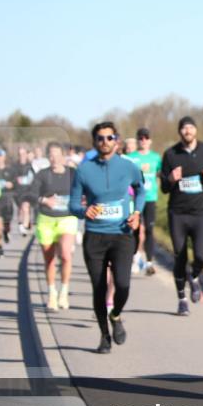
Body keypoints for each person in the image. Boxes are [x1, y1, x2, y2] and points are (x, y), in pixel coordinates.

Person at [70, 122, 145, 353]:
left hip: (122, 235)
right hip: (95, 237)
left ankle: (116, 315)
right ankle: (104, 336)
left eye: (109, 137)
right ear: (95, 142)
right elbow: (73, 204)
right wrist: (84, 211)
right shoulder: (84, 170)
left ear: (117, 141)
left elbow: (140, 190)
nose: (105, 142)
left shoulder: (129, 166)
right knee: (99, 288)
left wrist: (137, 212)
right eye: (100, 138)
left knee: (122, 284)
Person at [160, 116, 203, 316]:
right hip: (178, 213)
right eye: (184, 128)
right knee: (179, 256)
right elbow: (164, 188)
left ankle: (194, 277)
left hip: (200, 212)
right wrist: (170, 178)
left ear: (196, 130)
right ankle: (182, 300)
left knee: (201, 256)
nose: (187, 131)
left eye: (191, 127)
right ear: (179, 132)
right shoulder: (170, 154)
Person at [29, 142, 78, 311]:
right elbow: (31, 194)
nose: (54, 158)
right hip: (47, 220)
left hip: (67, 219)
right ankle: (52, 293)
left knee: (65, 254)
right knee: (49, 260)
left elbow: (83, 191)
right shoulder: (42, 175)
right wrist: (45, 200)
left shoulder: (73, 174)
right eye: (51, 155)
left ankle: (64, 291)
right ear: (47, 157)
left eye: (57, 154)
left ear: (64, 156)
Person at [127, 127, 162, 275]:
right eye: (140, 138)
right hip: (135, 198)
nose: (143, 141)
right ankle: (135, 257)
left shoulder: (156, 158)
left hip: (150, 198)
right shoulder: (131, 157)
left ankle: (149, 262)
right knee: (135, 228)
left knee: (149, 229)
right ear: (137, 140)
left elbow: (161, 175)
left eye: (146, 138)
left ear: (150, 140)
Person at [0, 149, 17, 257]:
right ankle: (0, 247)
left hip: (7, 200)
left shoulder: (10, 171)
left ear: (4, 158)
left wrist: (11, 184)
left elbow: (16, 184)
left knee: (6, 225)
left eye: (1, 156)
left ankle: (6, 232)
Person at [12, 146, 36, 236]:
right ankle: (24, 223)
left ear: (26, 155)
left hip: (28, 191)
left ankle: (23, 227)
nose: (21, 156)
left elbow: (34, 179)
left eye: (23, 154)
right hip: (17, 192)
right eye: (20, 154)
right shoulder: (14, 166)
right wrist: (14, 181)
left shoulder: (30, 166)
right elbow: (11, 178)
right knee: (21, 210)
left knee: (25, 207)